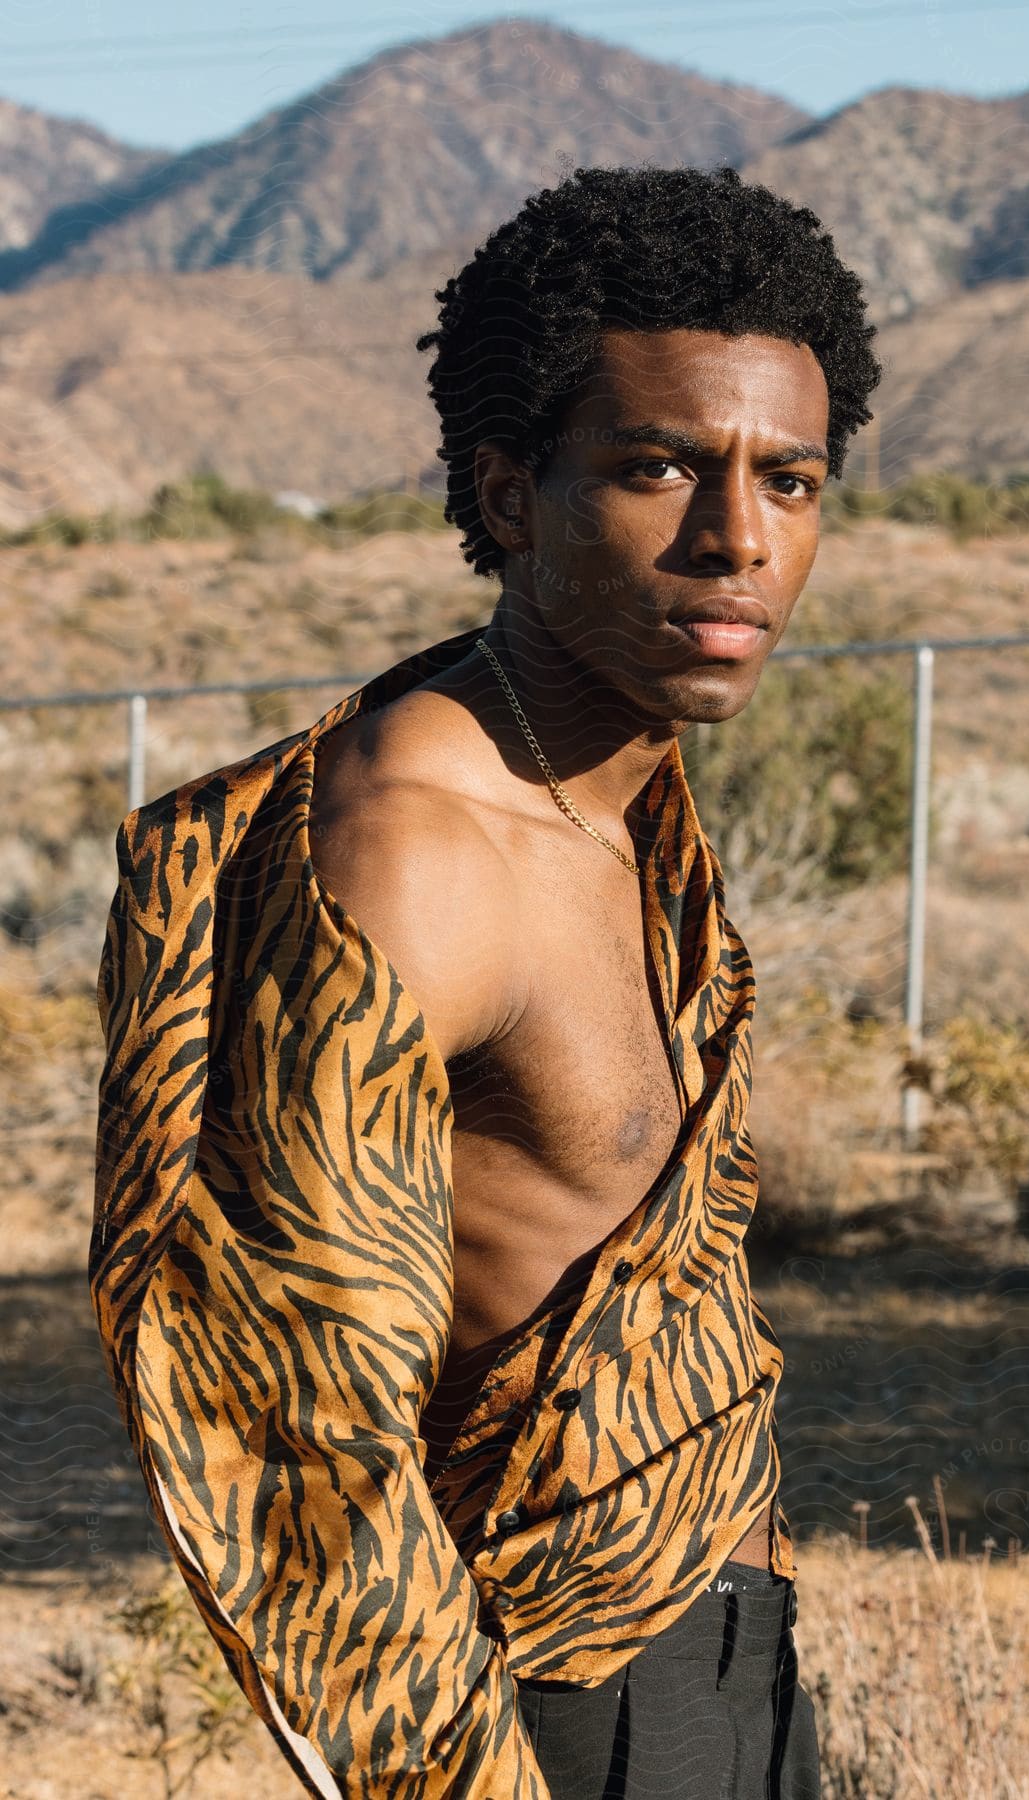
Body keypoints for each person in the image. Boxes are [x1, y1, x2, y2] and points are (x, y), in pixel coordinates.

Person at [90, 162, 879, 1799]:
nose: (738, 539)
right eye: (660, 468)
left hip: (728, 1636)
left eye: (789, 481)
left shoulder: (616, 788)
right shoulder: (419, 855)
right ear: (510, 492)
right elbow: (294, 1428)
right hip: (561, 1697)